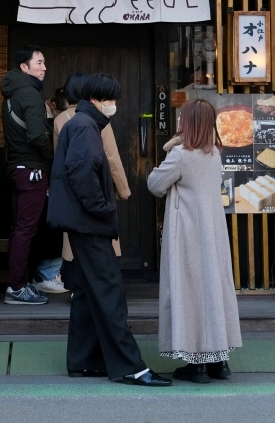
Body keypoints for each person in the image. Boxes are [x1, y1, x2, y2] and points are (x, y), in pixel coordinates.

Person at [47, 73, 171, 387]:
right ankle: (130, 367)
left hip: (82, 224)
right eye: (110, 99)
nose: (114, 105)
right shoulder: (86, 126)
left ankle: (84, 361)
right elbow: (81, 172)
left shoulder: (79, 123)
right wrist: (103, 208)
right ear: (95, 100)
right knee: (109, 292)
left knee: (87, 294)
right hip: (90, 225)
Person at [147, 99, 242, 383]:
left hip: (187, 234)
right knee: (213, 289)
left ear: (187, 123)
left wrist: (172, 146)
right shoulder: (214, 154)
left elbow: (155, 184)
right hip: (213, 233)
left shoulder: (181, 155)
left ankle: (196, 362)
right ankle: (219, 361)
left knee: (189, 290)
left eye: (182, 118)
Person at [53, 71, 130, 271]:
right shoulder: (95, 119)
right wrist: (123, 190)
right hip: (95, 191)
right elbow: (111, 157)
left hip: (71, 193)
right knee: (101, 259)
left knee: (75, 249)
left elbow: (58, 156)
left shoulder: (60, 120)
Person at [0, 44, 56, 304]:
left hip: (16, 168)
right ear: (24, 67)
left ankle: (17, 283)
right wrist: (52, 158)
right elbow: (36, 135)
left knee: (18, 229)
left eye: (44, 62)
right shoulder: (30, 94)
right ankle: (17, 287)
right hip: (32, 170)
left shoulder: (11, 93)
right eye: (39, 62)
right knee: (25, 230)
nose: (44, 67)